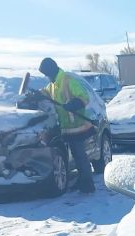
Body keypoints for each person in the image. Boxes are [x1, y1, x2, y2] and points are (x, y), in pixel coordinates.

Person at [38, 57, 95, 193]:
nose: (46, 77)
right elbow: (46, 93)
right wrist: (37, 94)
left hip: (78, 125)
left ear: (51, 70)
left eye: (47, 73)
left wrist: (75, 104)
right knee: (76, 155)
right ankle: (82, 180)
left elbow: (83, 97)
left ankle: (88, 185)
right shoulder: (53, 84)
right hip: (67, 127)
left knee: (80, 156)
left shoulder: (68, 79)